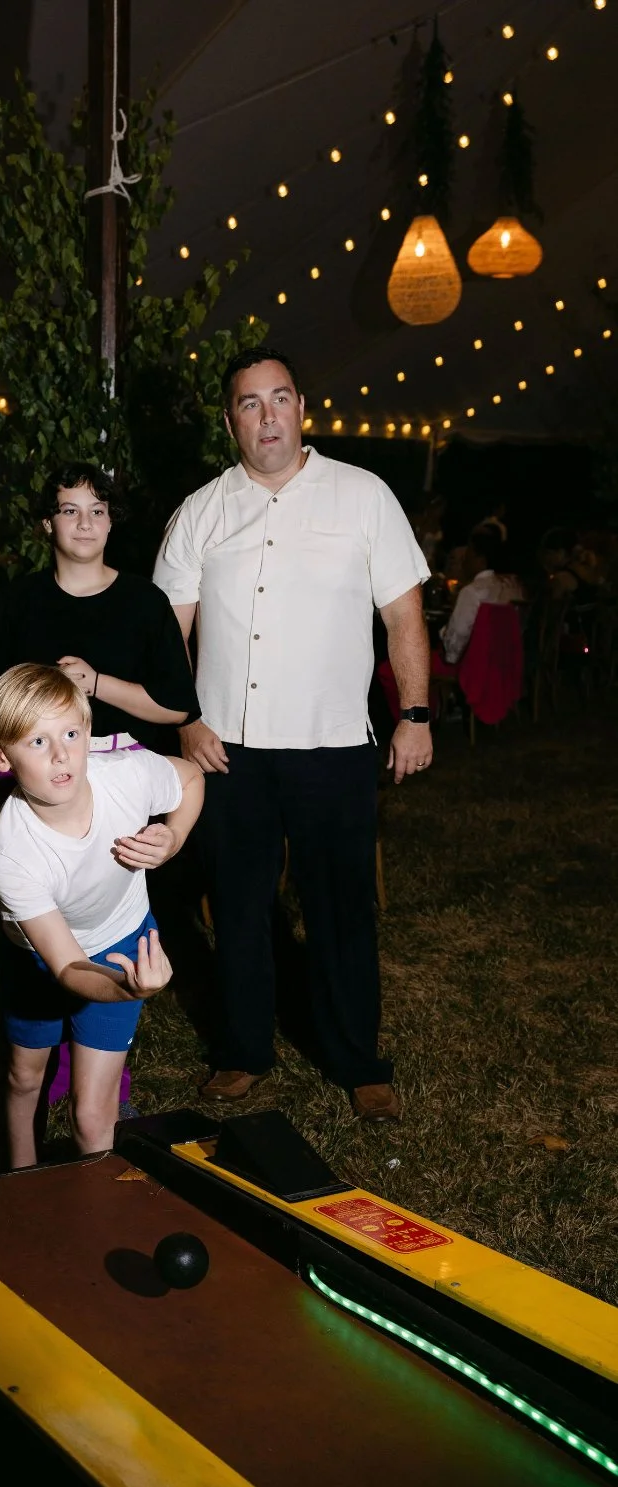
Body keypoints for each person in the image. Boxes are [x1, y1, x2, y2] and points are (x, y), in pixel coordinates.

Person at [153, 346, 431, 1123]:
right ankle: (243, 1052)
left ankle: (358, 1060)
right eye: (250, 402)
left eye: (280, 398)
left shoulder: (363, 496)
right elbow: (166, 633)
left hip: (334, 745)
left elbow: (403, 616)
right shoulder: (200, 511)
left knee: (341, 909)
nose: (267, 415)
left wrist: (413, 715)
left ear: (303, 407)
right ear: (231, 419)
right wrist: (187, 722)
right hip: (226, 751)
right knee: (238, 909)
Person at [0, 663, 203, 1168]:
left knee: (92, 1117)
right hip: (38, 956)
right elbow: (67, 967)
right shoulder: (10, 852)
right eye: (36, 743)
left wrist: (171, 839)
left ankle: (96, 1214)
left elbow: (190, 778)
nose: (61, 755)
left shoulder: (124, 773)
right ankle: (22, 1179)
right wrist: (132, 989)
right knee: (25, 1076)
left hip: (123, 939)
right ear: (0, 755)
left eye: (71, 734)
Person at [0, 462, 200, 752]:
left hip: (126, 767)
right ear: (47, 523)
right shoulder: (15, 601)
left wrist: (94, 683)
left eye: (97, 511)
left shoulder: (146, 601)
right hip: (36, 766)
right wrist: (42, 689)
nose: (85, 523)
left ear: (110, 522)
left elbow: (176, 708)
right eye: (70, 511)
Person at [441, 532, 525, 665]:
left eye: (468, 554)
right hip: (506, 666)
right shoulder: (513, 589)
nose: (464, 560)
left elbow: (457, 641)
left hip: (473, 669)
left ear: (480, 559)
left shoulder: (472, 592)